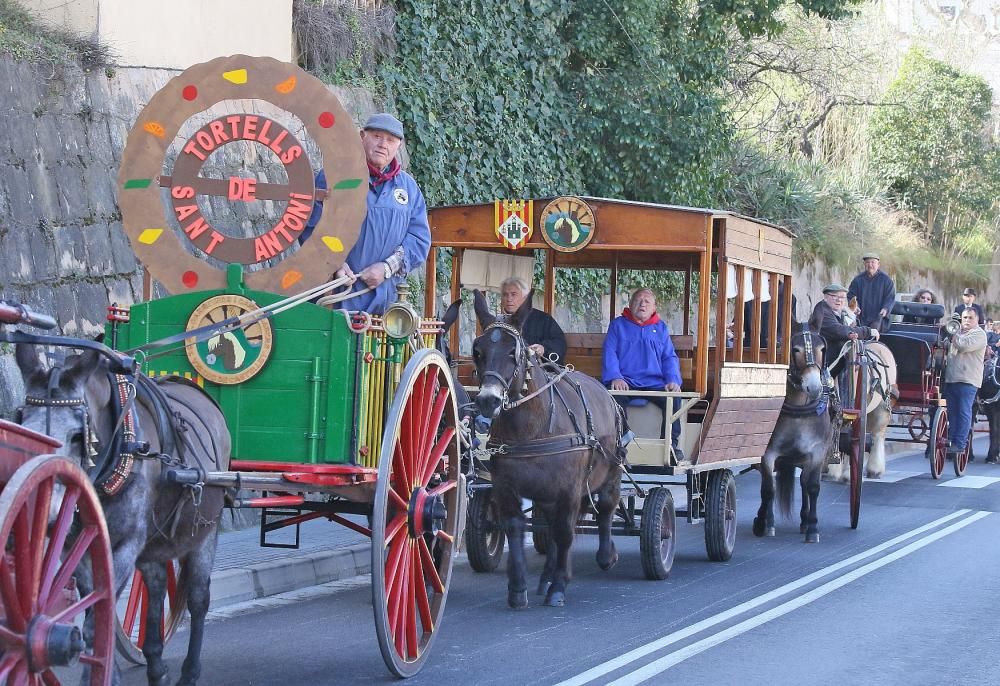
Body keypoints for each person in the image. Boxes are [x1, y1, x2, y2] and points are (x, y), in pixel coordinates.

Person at [300, 113, 430, 314]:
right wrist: (334, 263)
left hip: (385, 304)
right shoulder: (334, 176)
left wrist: (386, 268)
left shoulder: (409, 189)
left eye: (390, 140)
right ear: (362, 136)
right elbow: (311, 226)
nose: (383, 144)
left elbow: (419, 240)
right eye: (377, 136)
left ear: (399, 146)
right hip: (334, 296)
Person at [602, 288, 684, 458]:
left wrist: (672, 380)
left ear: (654, 307)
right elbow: (610, 352)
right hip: (626, 381)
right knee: (613, 399)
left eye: (647, 301)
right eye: (638, 300)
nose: (642, 304)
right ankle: (621, 442)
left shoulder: (660, 328)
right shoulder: (618, 325)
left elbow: (669, 357)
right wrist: (615, 377)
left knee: (674, 399)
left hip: (654, 383)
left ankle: (670, 446)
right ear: (630, 304)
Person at [809, 283, 879, 381]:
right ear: (825, 297)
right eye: (834, 296)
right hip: (824, 362)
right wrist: (867, 331)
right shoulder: (822, 310)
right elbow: (838, 330)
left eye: (842, 297)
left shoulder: (836, 311)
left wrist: (850, 315)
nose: (839, 300)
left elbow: (845, 327)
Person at [943, 309, 987, 460]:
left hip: (968, 380)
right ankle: (952, 440)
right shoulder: (957, 332)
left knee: (963, 411)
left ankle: (960, 443)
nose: (967, 320)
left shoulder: (979, 334)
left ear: (977, 319)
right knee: (952, 413)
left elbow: (963, 346)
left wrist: (953, 333)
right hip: (952, 379)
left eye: (970, 318)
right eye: (964, 318)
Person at [499, 277, 567, 362]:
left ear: (525, 298)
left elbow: (559, 343)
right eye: (505, 294)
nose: (509, 299)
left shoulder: (543, 320)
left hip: (540, 370)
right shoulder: (498, 323)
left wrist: (543, 349)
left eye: (513, 294)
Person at [847, 252, 896, 333]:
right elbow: (851, 296)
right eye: (867, 262)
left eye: (873, 262)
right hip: (862, 317)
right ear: (864, 264)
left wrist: (885, 308)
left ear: (878, 264)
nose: (870, 265)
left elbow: (890, 297)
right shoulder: (858, 280)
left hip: (878, 317)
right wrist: (855, 306)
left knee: (873, 337)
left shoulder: (886, 280)